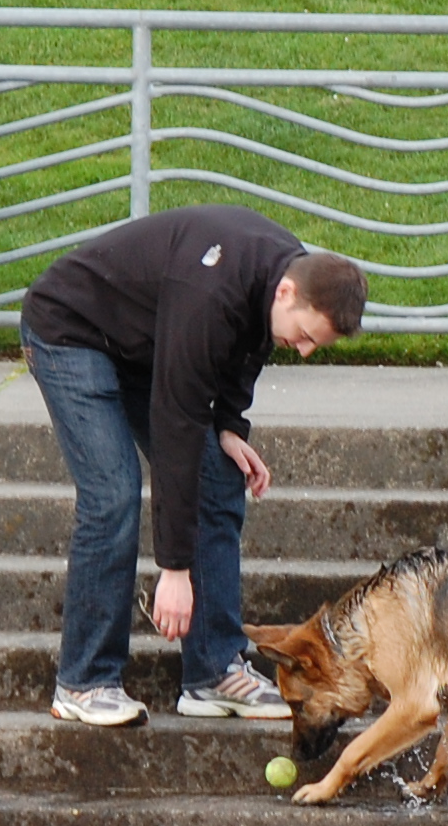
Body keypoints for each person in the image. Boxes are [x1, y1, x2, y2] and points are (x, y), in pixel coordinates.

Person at [20, 205, 368, 727]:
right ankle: (84, 682)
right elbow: (176, 423)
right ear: (287, 293)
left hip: (145, 342)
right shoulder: (211, 292)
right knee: (112, 492)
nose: (303, 351)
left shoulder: (285, 271)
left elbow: (247, 346)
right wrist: (175, 569)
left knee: (219, 471)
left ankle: (213, 673)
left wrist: (229, 425)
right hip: (71, 332)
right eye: (304, 335)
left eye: (315, 344)